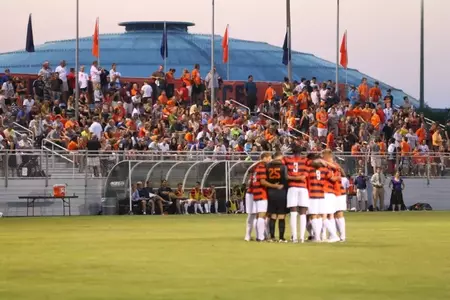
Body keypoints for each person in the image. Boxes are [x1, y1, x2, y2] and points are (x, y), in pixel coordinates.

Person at [283, 145, 310, 243]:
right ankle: (302, 237)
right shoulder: (305, 161)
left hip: (292, 188)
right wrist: (299, 177)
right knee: (303, 212)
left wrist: (291, 177)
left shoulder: (287, 160)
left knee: (293, 212)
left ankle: (294, 237)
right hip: (303, 188)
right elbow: (304, 176)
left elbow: (286, 176)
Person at [250, 152, 276, 241]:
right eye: (269, 158)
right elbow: (263, 182)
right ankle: (261, 237)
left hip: (256, 193)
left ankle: (258, 235)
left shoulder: (256, 167)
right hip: (261, 193)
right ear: (264, 158)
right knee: (262, 215)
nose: (270, 160)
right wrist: (274, 186)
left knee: (258, 216)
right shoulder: (261, 167)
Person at [266, 151, 288, 242]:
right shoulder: (283, 167)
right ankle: (281, 238)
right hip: (281, 191)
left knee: (273, 215)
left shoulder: (267, 166)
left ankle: (272, 237)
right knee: (282, 216)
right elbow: (286, 179)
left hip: (271, 192)